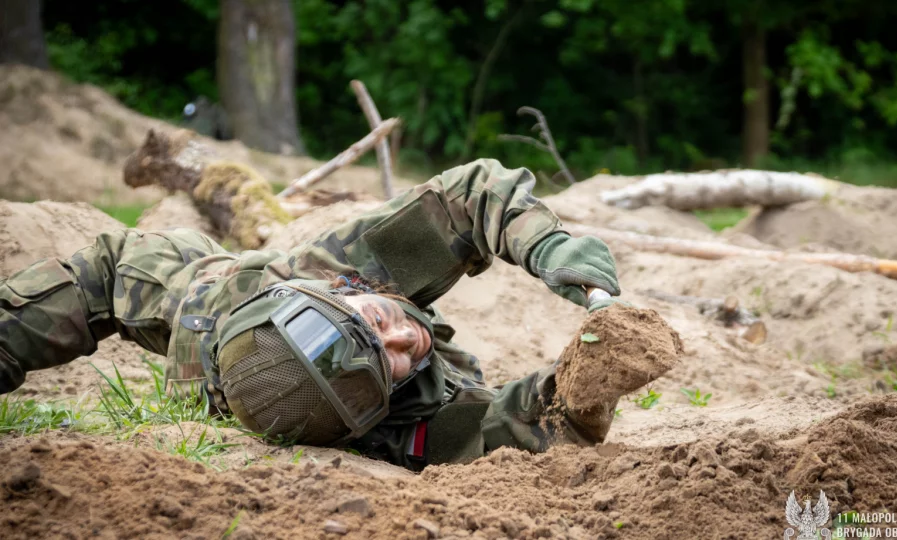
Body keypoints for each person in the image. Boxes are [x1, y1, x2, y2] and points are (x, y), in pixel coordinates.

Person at [0, 159, 623, 470]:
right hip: (242, 376)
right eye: (390, 363)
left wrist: (552, 249)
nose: (407, 337)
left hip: (220, 303)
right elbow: (530, 427)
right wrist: (597, 374)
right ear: (373, 409)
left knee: (171, 263)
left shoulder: (341, 270)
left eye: (378, 321)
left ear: (346, 288)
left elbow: (474, 194)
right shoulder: (401, 426)